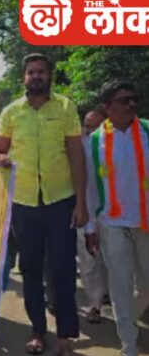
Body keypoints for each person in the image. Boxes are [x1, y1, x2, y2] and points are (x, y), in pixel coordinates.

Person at [0, 53, 88, 356]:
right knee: (31, 270)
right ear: (24, 77)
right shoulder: (11, 112)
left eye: (41, 72)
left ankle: (65, 339)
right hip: (24, 204)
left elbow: (76, 157)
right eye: (31, 72)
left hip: (60, 201)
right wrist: (0, 159)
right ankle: (37, 331)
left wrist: (81, 202)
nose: (36, 76)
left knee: (63, 270)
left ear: (50, 76)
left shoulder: (65, 108)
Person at [84, 80, 149, 356]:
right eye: (124, 100)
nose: (132, 104)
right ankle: (130, 353)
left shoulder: (147, 131)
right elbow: (90, 189)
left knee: (146, 288)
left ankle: (126, 320)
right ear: (107, 107)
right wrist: (90, 228)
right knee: (120, 288)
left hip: (145, 222)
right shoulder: (93, 142)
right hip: (112, 224)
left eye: (134, 98)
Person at [78, 108, 109, 324]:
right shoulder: (77, 147)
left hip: (113, 214)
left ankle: (109, 295)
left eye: (97, 127)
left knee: (111, 259)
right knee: (89, 260)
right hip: (84, 211)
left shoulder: (116, 146)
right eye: (88, 126)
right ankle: (94, 304)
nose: (91, 132)